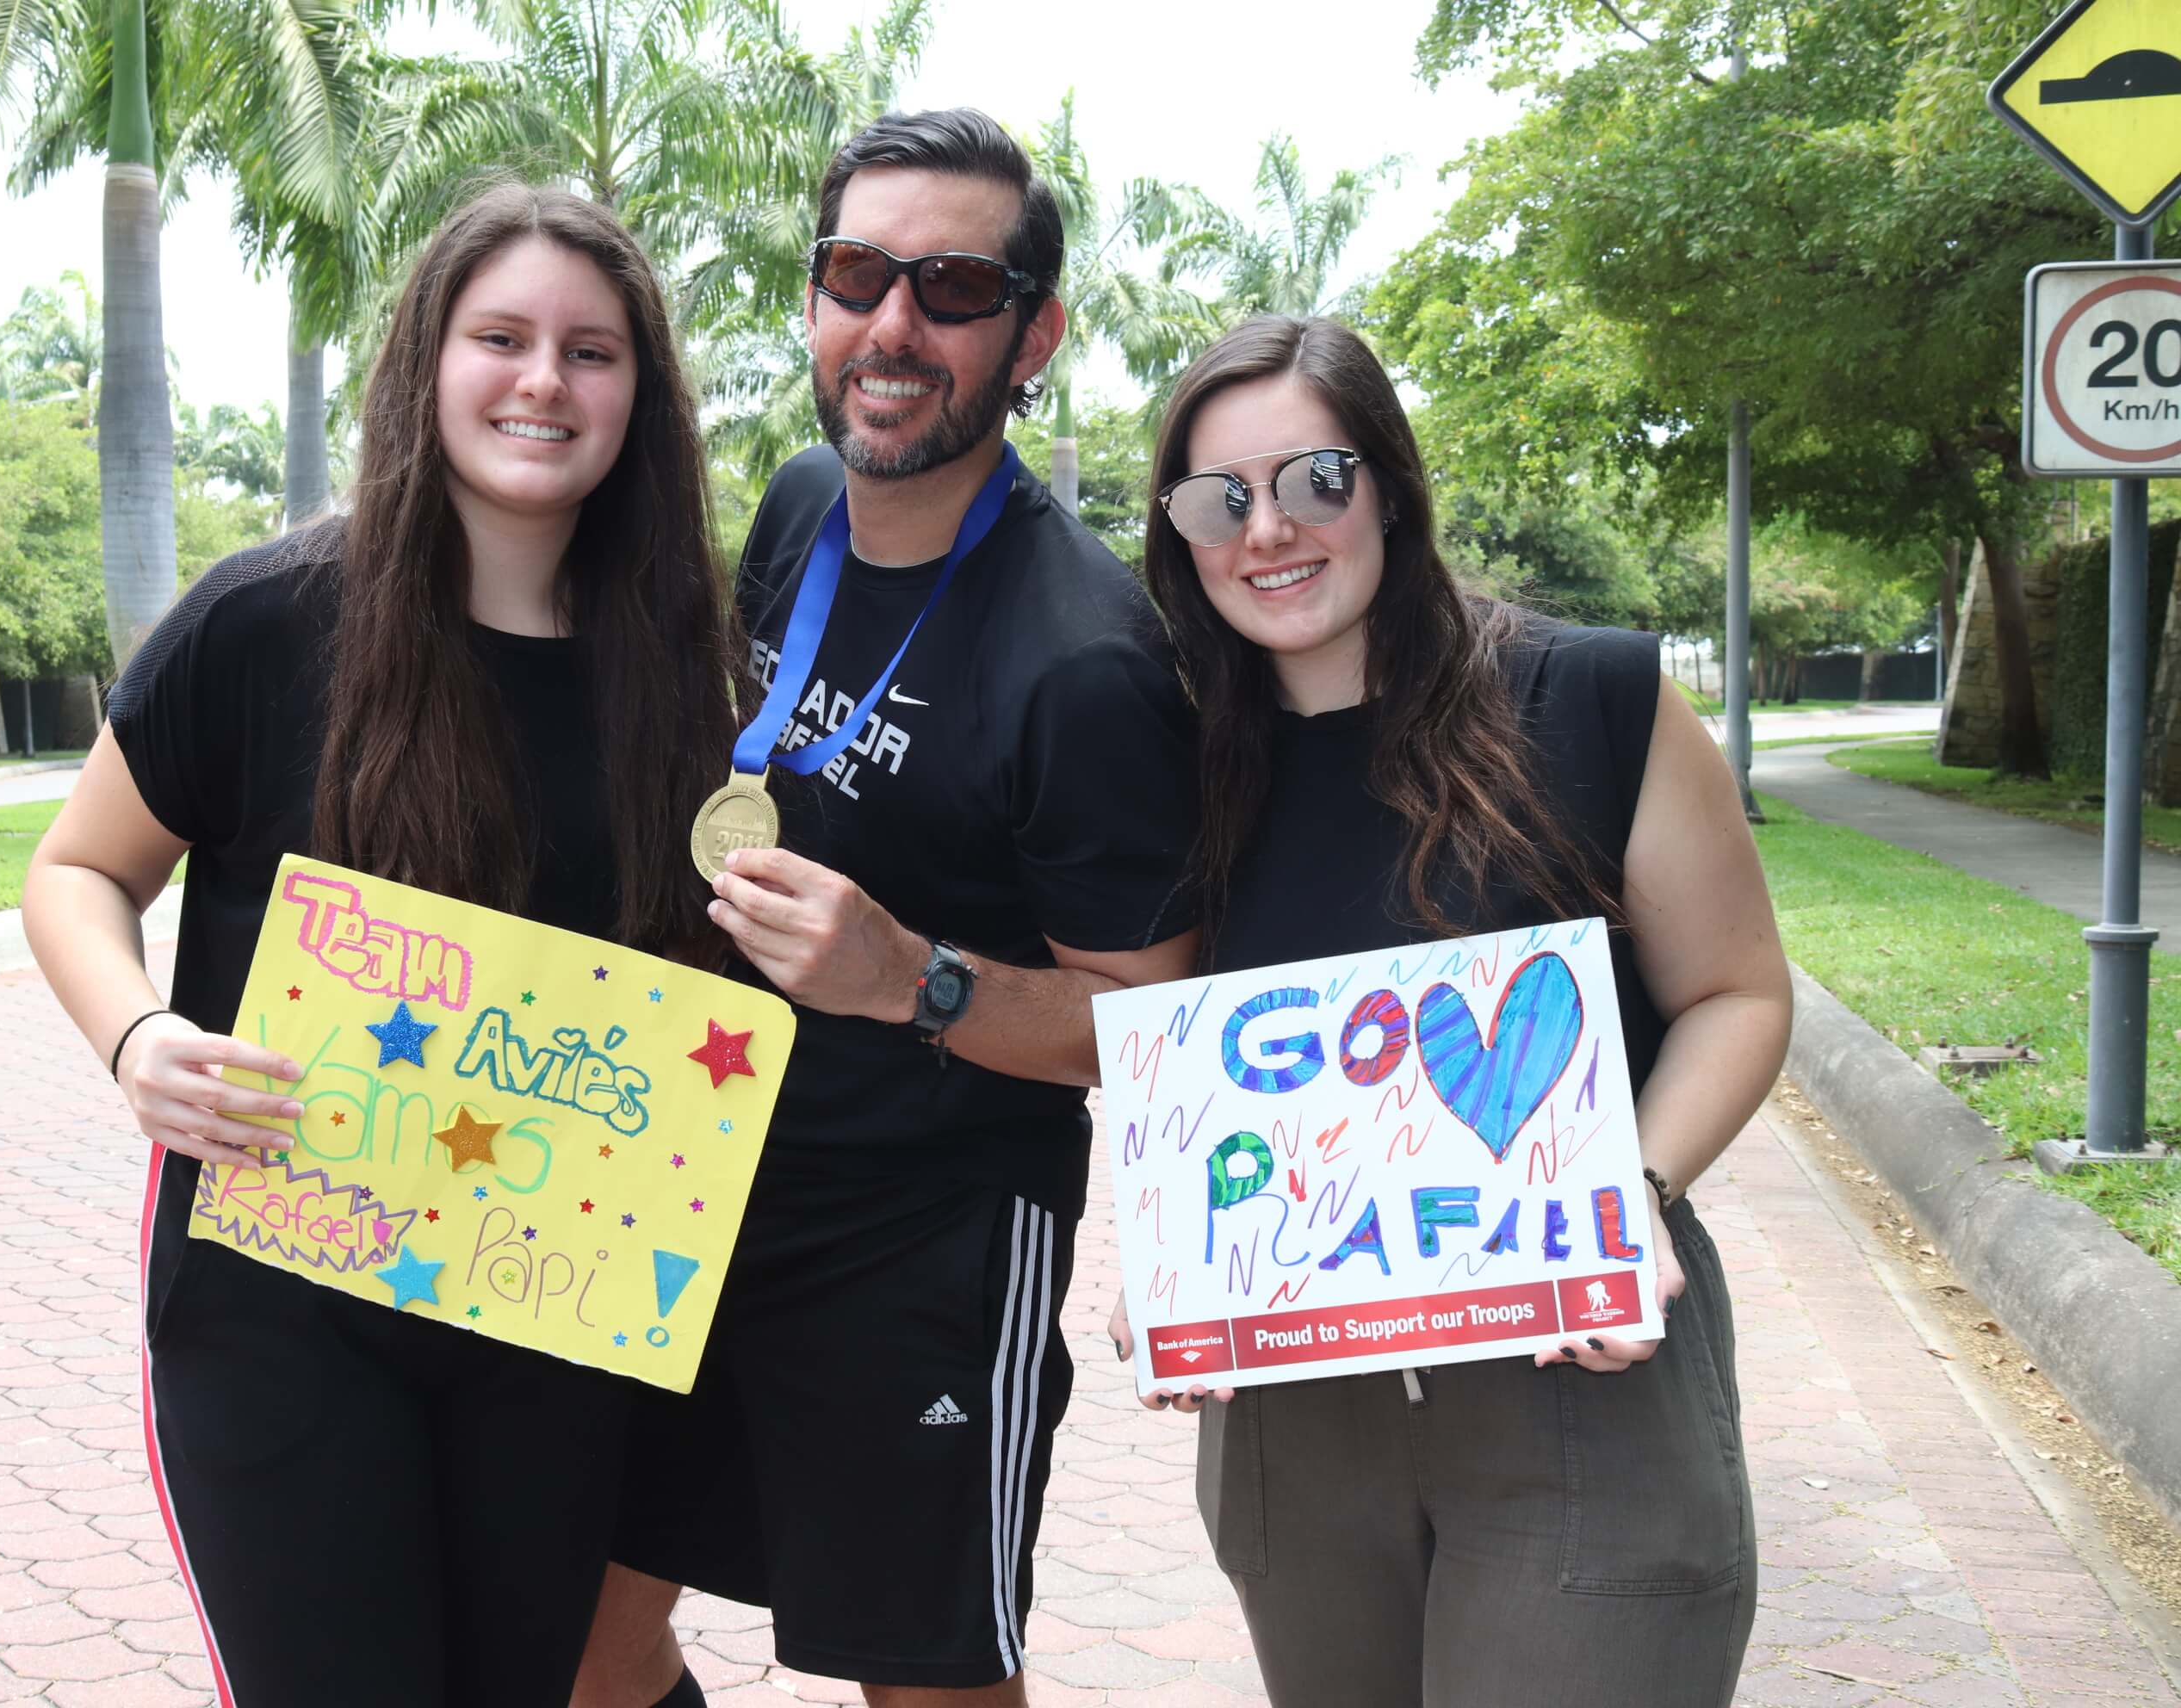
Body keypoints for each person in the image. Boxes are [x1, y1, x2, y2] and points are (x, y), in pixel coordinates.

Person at [20, 182, 743, 1707]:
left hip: (551, 1312)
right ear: (429, 360)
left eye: (591, 351)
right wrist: (140, 1040)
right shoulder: (266, 622)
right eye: (502, 337)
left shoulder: (690, 682)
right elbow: (81, 870)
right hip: (278, 1309)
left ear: (640, 397)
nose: (543, 380)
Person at [573, 109, 1200, 1708]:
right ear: (813, 298)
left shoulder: (1086, 659)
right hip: (694, 1188)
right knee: (579, 1635)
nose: (894, 325)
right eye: (859, 273)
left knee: (916, 1682)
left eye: (955, 287)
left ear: (1034, 333)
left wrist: (914, 978)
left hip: (923, 1246)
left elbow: (1152, 1029)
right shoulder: (796, 508)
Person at [1107, 313, 1792, 1705]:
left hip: (1576, 1378)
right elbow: (1156, 1043)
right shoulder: (1166, 765)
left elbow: (1736, 995)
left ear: (1391, 484)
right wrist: (1154, 1236)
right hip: (1290, 1412)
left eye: (1313, 479)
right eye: (1216, 501)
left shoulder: (1590, 698)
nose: (1268, 530)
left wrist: (1634, 1189)